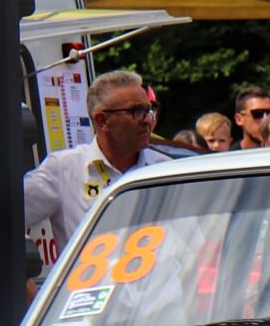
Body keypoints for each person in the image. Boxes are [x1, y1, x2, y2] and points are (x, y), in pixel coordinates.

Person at [23, 67, 173, 264]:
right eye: (137, 112)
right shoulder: (65, 169)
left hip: (158, 284)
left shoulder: (164, 169)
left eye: (149, 110)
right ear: (102, 121)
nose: (147, 120)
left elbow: (195, 239)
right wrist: (19, 277)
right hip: (92, 284)